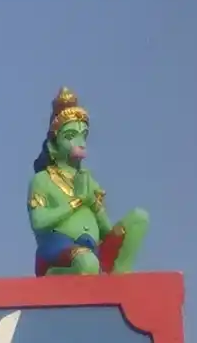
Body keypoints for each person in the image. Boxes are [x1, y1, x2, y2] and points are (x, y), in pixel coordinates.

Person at [28, 87, 147, 276]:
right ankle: (57, 275)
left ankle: (120, 278)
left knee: (139, 219)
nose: (80, 142)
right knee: (87, 262)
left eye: (83, 135)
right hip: (58, 249)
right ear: (54, 144)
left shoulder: (89, 182)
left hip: (92, 249)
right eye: (70, 136)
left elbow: (105, 230)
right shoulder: (42, 179)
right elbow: (39, 222)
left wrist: (94, 205)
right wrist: (77, 201)